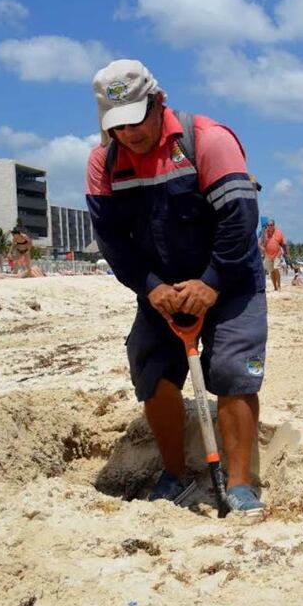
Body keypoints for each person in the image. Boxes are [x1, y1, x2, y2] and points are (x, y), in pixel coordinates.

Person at [85, 59, 266, 514]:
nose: (128, 133)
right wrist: (151, 287)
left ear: (159, 101)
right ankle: (175, 474)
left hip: (231, 278)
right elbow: (113, 241)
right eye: (116, 125)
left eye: (135, 119)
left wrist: (211, 283)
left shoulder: (208, 140)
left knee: (233, 370)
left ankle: (239, 484)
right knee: (151, 369)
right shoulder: (103, 162)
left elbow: (240, 220)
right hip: (161, 287)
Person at [258, 219, 287, 292]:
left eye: (271, 225)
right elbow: (258, 243)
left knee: (276, 268)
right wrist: (262, 249)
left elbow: (284, 244)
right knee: (271, 272)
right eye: (268, 225)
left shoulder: (279, 233)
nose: (269, 226)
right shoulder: (264, 233)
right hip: (267, 255)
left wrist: (286, 253)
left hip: (277, 254)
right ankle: (275, 287)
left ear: (274, 225)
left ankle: (279, 286)